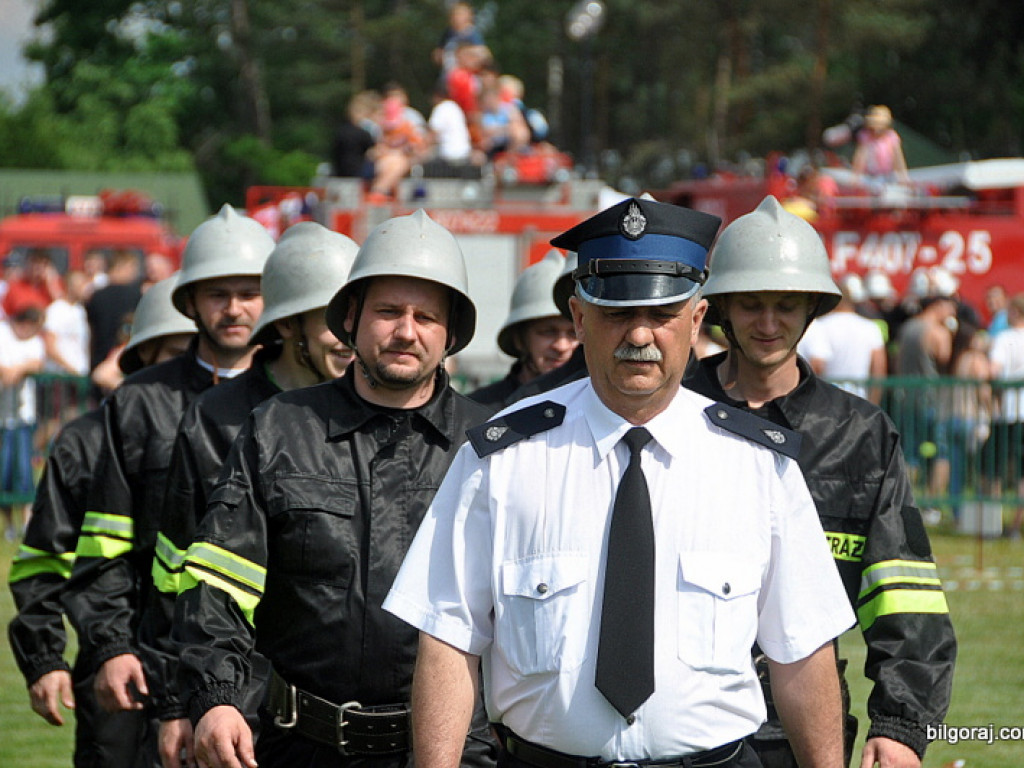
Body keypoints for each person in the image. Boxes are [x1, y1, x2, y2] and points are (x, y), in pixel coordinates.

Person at [385, 197, 856, 768]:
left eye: (661, 314)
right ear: (579, 319)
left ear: (697, 320)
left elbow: (803, 653)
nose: (639, 334)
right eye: (615, 314)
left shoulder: (759, 467)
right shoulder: (502, 459)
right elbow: (447, 640)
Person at [174, 210, 496, 768]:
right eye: (389, 311)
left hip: (456, 752)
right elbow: (217, 584)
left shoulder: (492, 445)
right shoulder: (276, 429)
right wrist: (218, 700)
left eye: (426, 317)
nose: (406, 331)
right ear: (351, 318)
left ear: (451, 334)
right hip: (298, 748)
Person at [683, 195, 956, 768]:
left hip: (802, 730)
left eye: (787, 305)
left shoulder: (861, 434)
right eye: (751, 304)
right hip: (679, 724)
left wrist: (901, 725)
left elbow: (903, 593)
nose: (768, 323)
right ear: (722, 309)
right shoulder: (672, 410)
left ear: (813, 309)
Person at [61, 205, 274, 768]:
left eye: (249, 292)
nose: (234, 309)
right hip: (156, 665)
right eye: (217, 294)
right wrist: (111, 646)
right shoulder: (138, 402)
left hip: (273, 675)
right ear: (189, 304)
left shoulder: (298, 403)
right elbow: (103, 542)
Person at [142, 223, 359, 768]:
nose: (349, 337)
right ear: (288, 324)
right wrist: (176, 703)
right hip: (237, 698)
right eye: (334, 320)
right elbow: (176, 574)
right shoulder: (215, 420)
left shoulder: (367, 414)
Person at [7, 272, 197, 768]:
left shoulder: (239, 435)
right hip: (113, 665)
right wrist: (44, 657)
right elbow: (42, 558)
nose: (187, 372)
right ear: (141, 361)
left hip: (207, 668)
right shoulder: (84, 442)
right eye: (175, 355)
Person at [469, 249, 578, 409]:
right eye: (548, 332)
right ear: (519, 339)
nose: (561, 346)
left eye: (573, 333)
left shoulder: (606, 410)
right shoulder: (477, 411)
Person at [799, 273, 887, 402]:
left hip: (825, 400)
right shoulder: (871, 328)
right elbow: (879, 370)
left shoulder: (819, 326)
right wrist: (873, 404)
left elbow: (816, 366)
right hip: (858, 401)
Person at [0, 305, 47, 540]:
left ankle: (27, 523)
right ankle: (9, 524)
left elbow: (37, 363)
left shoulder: (35, 342)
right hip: (2, 418)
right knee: (4, 472)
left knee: (24, 473)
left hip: (23, 417)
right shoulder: (3, 334)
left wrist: (17, 370)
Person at [984, 293, 1024, 539]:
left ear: (1014, 313)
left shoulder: (1004, 338)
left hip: (1007, 413)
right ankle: (1015, 527)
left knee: (994, 470)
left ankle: (993, 524)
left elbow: (994, 370)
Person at [85, 249, 143, 372]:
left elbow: (90, 332)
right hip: (125, 363)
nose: (136, 273)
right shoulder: (136, 295)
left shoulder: (96, 296)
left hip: (99, 361)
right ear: (124, 266)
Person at [852, 105, 909, 191]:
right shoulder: (865, 136)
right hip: (868, 176)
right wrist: (855, 176)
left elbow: (898, 158)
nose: (877, 127)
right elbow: (860, 157)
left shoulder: (891, 137)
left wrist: (903, 176)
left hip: (887, 175)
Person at [2, 248, 63, 318]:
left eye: (43, 264)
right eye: (35, 262)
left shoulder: (53, 286)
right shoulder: (15, 286)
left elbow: (62, 308)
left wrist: (50, 283)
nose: (38, 267)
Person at [331, 92, 378, 179]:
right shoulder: (365, 133)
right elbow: (373, 152)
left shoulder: (341, 131)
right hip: (359, 172)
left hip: (339, 171)